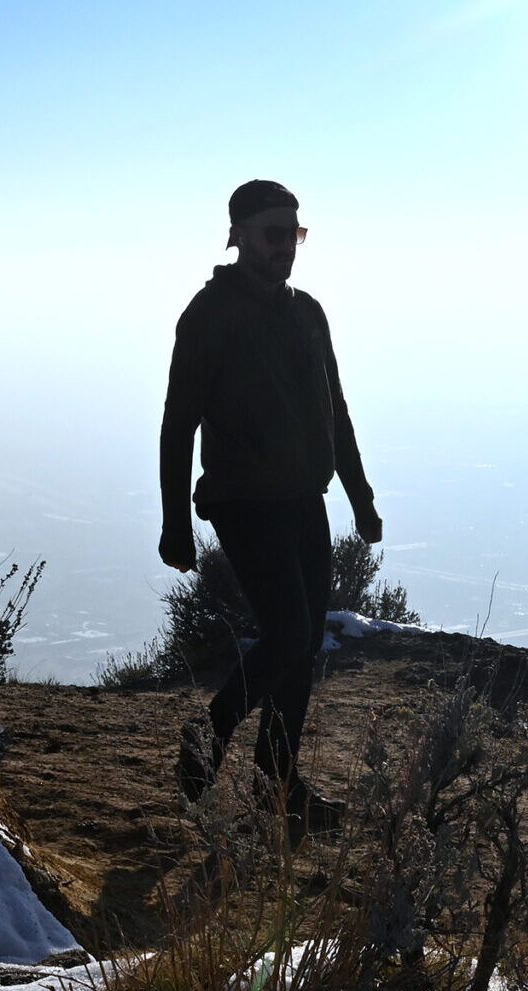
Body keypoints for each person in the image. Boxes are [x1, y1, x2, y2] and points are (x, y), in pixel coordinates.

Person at [159, 179, 381, 825]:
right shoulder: (206, 317)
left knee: (306, 641)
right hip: (241, 501)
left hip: (302, 499)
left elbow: (335, 412)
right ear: (238, 237)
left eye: (295, 234)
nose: (286, 246)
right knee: (287, 634)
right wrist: (176, 523)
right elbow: (179, 426)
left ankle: (276, 789)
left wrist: (359, 498)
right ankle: (209, 736)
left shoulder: (309, 313)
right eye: (272, 234)